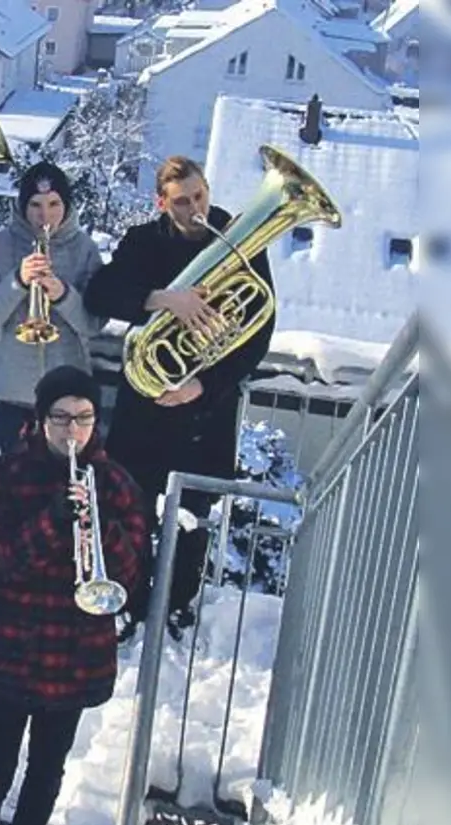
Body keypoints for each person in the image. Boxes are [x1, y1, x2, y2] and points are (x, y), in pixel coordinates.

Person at [0, 366, 151, 825]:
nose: (72, 430)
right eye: (60, 418)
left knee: (46, 771)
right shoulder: (4, 476)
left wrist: (97, 522)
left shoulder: (116, 484)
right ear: (39, 420)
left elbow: (129, 574)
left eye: (83, 418)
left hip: (74, 656)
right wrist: (51, 520)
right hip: (8, 649)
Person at [85, 155, 276, 641]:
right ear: (161, 202)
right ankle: (130, 601)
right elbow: (101, 294)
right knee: (132, 509)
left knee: (194, 517)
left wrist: (201, 385)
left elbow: (259, 331)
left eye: (200, 195)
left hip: (204, 410)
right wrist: (165, 299)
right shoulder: (143, 242)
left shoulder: (238, 240)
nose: (195, 208)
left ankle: (177, 604)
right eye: (182, 200)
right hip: (144, 407)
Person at [0, 161, 107, 470]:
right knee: (3, 492)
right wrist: (17, 281)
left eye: (54, 204)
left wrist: (63, 296)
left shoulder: (85, 250)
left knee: (65, 492)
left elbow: (93, 323)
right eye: (35, 205)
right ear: (22, 206)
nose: (45, 215)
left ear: (67, 204)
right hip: (12, 395)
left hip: (68, 399)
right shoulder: (0, 246)